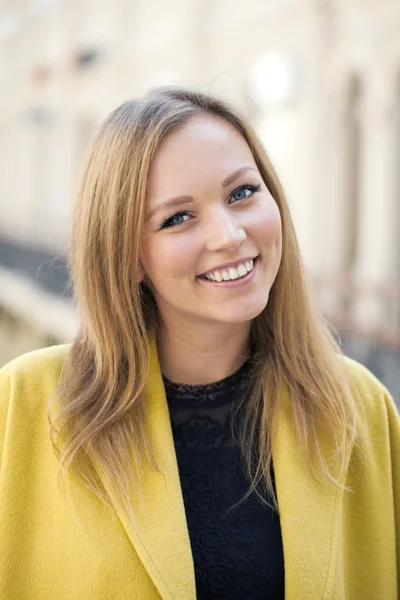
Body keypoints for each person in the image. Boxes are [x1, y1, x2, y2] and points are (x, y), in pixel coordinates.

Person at [0, 87, 399, 600]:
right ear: (126, 256)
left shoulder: (359, 408)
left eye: (242, 193)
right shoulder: (23, 407)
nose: (229, 235)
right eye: (178, 218)